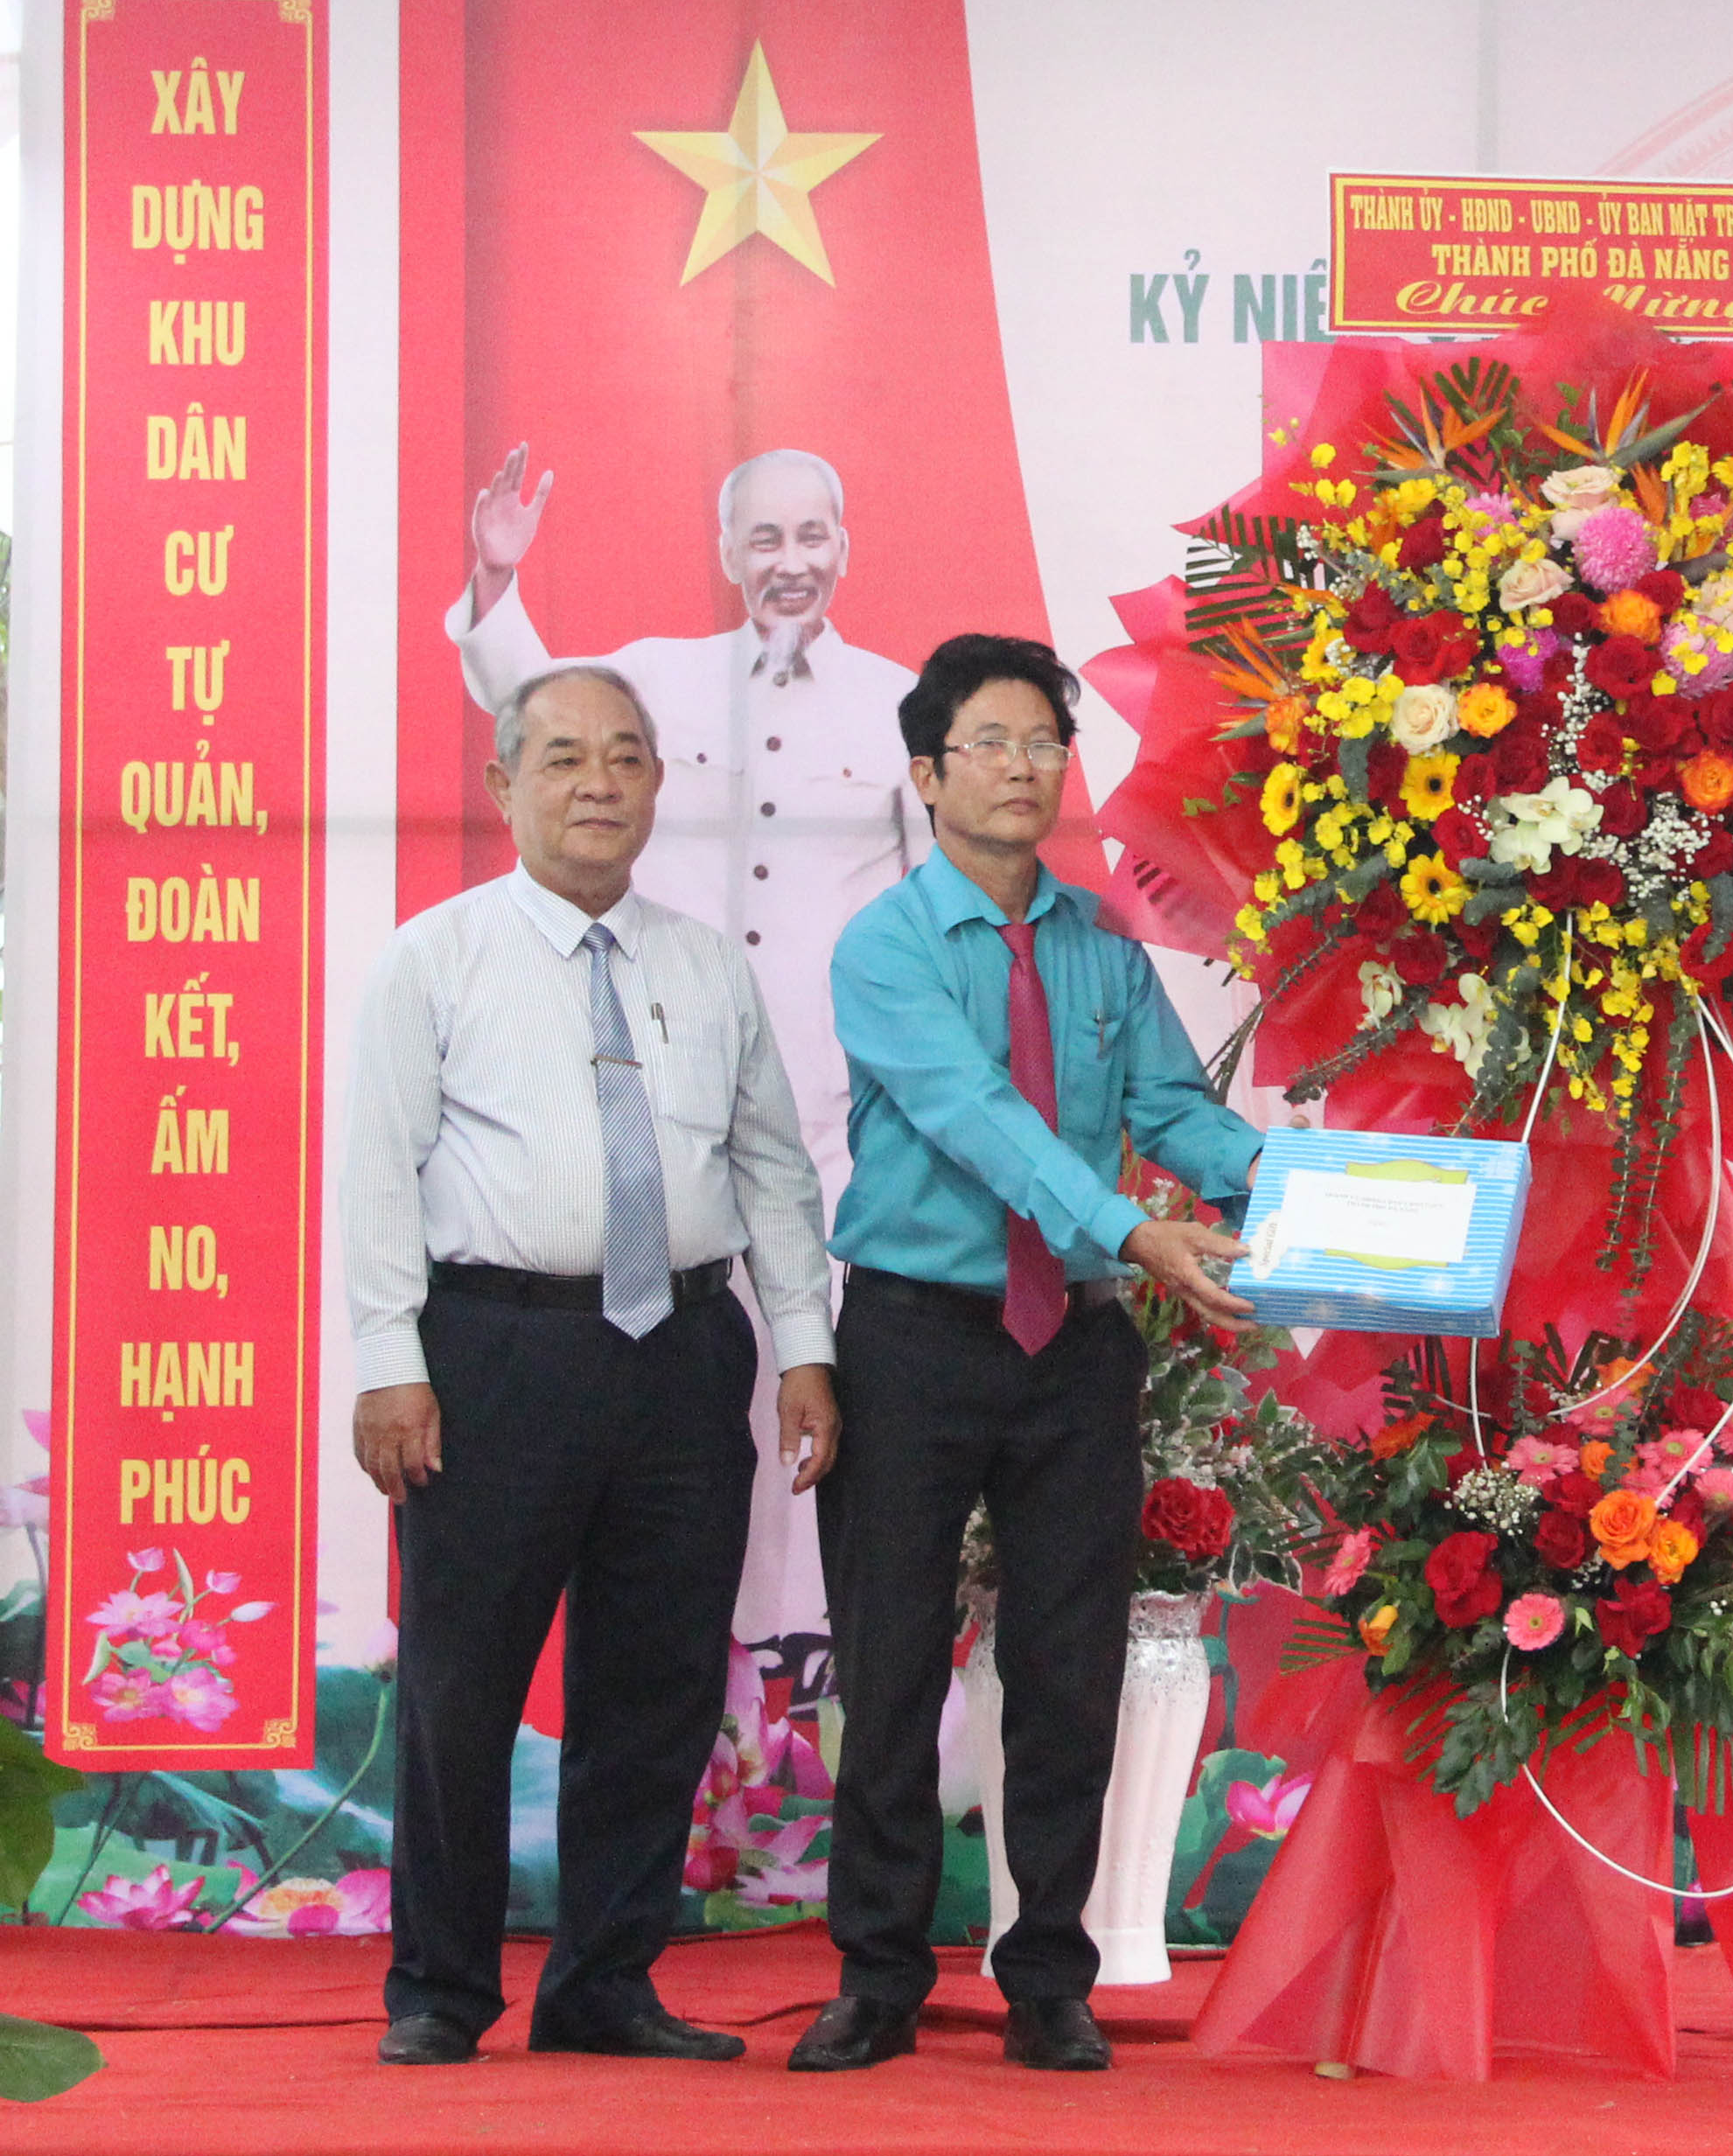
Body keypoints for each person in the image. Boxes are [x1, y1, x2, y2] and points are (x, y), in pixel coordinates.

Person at [342, 667, 841, 2065]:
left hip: (684, 1353)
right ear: (505, 786)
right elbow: (377, 1171)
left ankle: (604, 1983)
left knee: (660, 1679)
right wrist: (390, 1361)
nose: (599, 783)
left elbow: (771, 1171)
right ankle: (440, 1987)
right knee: (461, 1680)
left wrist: (802, 1345)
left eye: (626, 756)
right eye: (564, 757)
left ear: (657, 787)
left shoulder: (704, 961)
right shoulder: (429, 959)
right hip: (494, 1350)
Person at [787, 635, 1261, 2075]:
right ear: (928, 774)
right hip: (915, 1337)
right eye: (990, 742)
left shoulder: (1104, 951)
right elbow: (974, 1115)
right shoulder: (881, 947)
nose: (1024, 765)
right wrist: (1135, 1224)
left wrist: (1335, 1210)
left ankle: (1046, 1970)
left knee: (1070, 1661)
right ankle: (875, 1971)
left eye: (1046, 742)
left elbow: (1182, 1114)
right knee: (889, 1652)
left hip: (1079, 1346)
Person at [448, 443, 918, 1643]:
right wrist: (497, 579)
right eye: (763, 541)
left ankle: (809, 1661)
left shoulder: (900, 703)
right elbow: (538, 701)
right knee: (699, 1391)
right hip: (663, 1103)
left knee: (821, 1387)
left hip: (833, 1116)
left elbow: (934, 905)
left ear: (846, 545)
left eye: (812, 536)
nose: (790, 562)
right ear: (727, 557)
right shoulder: (659, 678)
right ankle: (710, 1676)